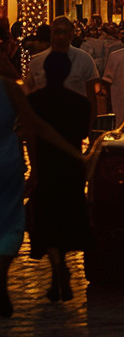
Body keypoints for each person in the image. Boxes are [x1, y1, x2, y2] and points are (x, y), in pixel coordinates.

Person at [0, 70, 80, 318]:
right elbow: (35, 125)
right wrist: (74, 154)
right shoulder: (9, 88)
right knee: (9, 222)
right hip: (7, 163)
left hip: (8, 164)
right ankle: (1, 278)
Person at [26, 52, 93, 303]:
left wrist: (33, 168)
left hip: (46, 165)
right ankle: (61, 264)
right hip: (70, 165)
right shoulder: (80, 103)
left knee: (47, 216)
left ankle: (57, 266)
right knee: (67, 215)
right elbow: (83, 132)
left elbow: (32, 136)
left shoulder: (35, 101)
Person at [25, 16, 98, 129]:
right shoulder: (37, 61)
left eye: (64, 32)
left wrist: (89, 128)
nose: (61, 37)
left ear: (71, 35)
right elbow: (30, 90)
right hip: (45, 125)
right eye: (57, 32)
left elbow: (91, 97)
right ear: (51, 34)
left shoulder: (84, 59)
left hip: (73, 123)